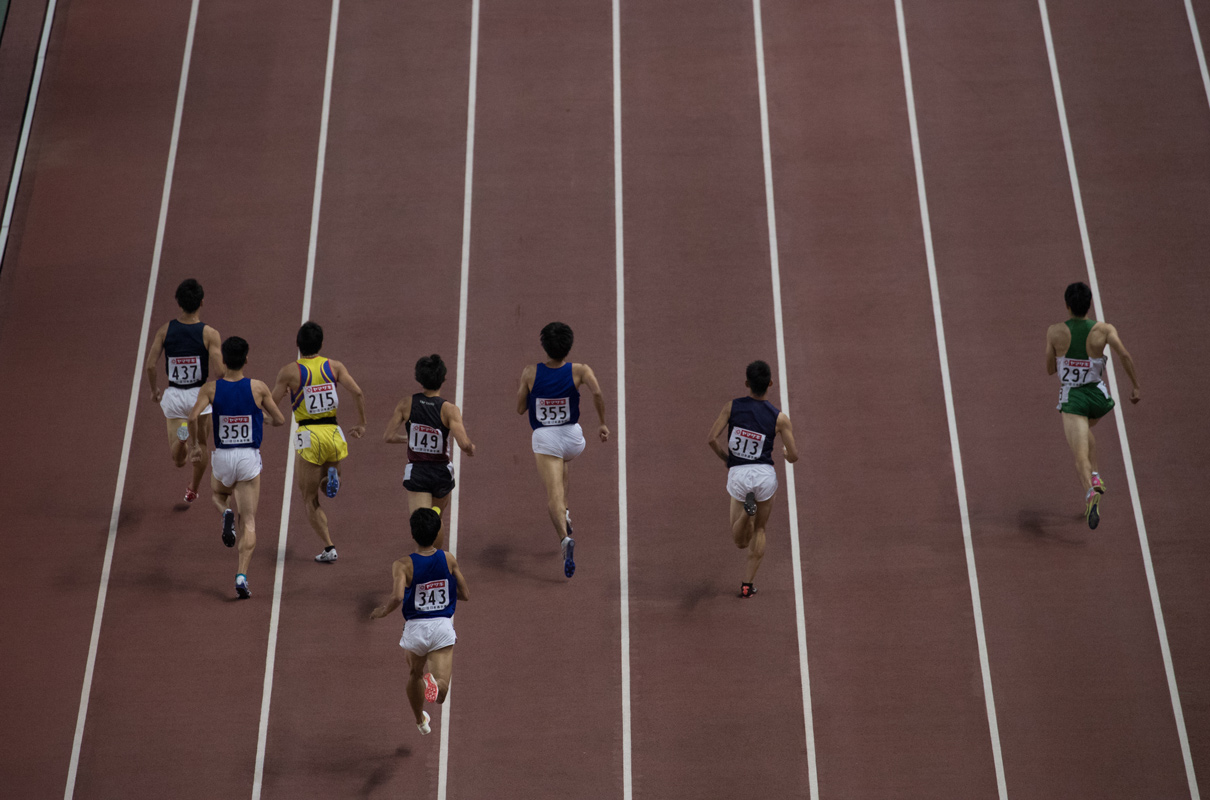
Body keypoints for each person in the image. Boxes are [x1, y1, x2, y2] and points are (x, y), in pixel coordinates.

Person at [187, 336, 285, 599]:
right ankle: (241, 575)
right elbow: (280, 420)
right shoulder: (259, 388)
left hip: (222, 457)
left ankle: (225, 511)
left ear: (224, 361)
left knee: (218, 495)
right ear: (247, 360)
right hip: (248, 458)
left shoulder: (210, 389)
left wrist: (196, 445)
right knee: (249, 520)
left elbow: (193, 416)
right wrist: (259, 417)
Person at [515, 322, 609, 579]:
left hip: (546, 438)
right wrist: (601, 423)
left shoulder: (530, 372)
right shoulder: (580, 370)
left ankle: (564, 540)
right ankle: (565, 512)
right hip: (573, 437)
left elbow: (520, 409)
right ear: (569, 346)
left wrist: (536, 395)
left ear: (544, 347)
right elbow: (598, 393)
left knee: (552, 494)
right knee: (562, 464)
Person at [1045, 281, 1140, 529]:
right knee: (1086, 436)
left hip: (1074, 400)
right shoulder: (1105, 330)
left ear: (1067, 306)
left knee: (1079, 457)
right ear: (1089, 305)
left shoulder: (1055, 331)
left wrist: (1065, 362)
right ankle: (1096, 478)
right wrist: (1136, 386)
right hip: (1099, 398)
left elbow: (1049, 368)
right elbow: (1125, 355)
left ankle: (1090, 493)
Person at [271, 322, 366, 563]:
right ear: (321, 345)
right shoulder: (334, 367)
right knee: (327, 484)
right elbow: (357, 393)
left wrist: (264, 417)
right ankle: (332, 476)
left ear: (297, 345)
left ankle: (329, 546)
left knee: (310, 498)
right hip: (334, 432)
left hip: (309, 436)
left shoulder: (290, 372)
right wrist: (361, 423)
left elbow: (271, 404)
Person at [370, 507, 469, 736]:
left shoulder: (403, 565)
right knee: (442, 689)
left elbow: (396, 597)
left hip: (415, 629)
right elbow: (465, 594)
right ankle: (433, 682)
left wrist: (383, 612)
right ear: (436, 534)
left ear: (412, 534)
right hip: (442, 626)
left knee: (415, 673)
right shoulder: (448, 558)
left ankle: (420, 720)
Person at [707, 360, 799, 598]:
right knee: (760, 530)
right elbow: (794, 455)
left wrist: (728, 460)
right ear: (770, 384)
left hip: (739, 473)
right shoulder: (779, 418)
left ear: (746, 383)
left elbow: (711, 439)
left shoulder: (731, 407)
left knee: (739, 541)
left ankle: (747, 513)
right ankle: (747, 585)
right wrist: (787, 454)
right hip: (764, 476)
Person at [144, 278, 223, 503]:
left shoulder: (165, 330)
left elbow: (150, 365)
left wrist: (154, 390)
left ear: (179, 303)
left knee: (178, 460)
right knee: (203, 447)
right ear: (202, 302)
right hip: (200, 396)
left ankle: (182, 439)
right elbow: (219, 372)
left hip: (175, 395)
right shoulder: (210, 334)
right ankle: (193, 489)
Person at [383, 355, 476, 535]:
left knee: (421, 526)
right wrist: (471, 449)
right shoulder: (449, 410)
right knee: (435, 520)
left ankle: (426, 556)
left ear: (419, 378)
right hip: (441, 474)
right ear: (443, 379)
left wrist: (407, 439)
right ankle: (437, 558)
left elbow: (388, 436)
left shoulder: (406, 404)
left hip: (418, 472)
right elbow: (463, 443)